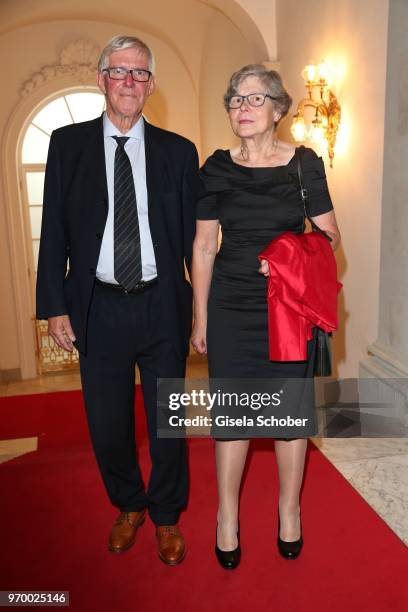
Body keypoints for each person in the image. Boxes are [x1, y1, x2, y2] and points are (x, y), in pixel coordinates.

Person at [36, 35, 199, 565]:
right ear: (102, 79)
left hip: (161, 305)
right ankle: (128, 506)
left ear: (151, 85)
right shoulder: (67, 144)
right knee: (107, 422)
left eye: (139, 73)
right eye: (119, 71)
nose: (129, 81)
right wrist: (54, 306)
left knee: (170, 420)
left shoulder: (179, 152)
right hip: (97, 308)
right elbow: (53, 232)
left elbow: (200, 239)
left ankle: (167, 516)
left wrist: (202, 310)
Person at [191, 64, 340, 569]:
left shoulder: (304, 164)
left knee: (288, 415)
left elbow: (328, 238)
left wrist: (282, 253)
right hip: (231, 305)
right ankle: (226, 517)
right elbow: (205, 244)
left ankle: (289, 510)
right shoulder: (214, 167)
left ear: (278, 109)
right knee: (232, 414)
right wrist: (200, 319)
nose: (242, 108)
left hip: (287, 307)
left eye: (254, 100)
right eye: (236, 100)